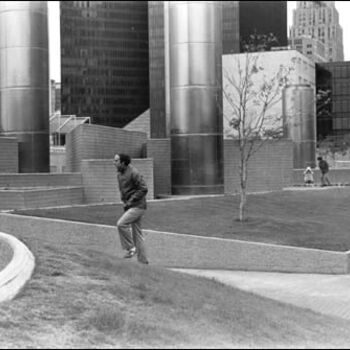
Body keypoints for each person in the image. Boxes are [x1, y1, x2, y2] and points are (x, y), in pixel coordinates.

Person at [113, 153, 149, 264]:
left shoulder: (134, 172)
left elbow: (143, 189)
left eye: (116, 161)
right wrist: (126, 203)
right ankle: (143, 263)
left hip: (138, 206)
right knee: (137, 235)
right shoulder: (119, 174)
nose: (114, 163)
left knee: (121, 224)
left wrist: (130, 202)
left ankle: (130, 248)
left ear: (123, 162)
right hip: (130, 206)